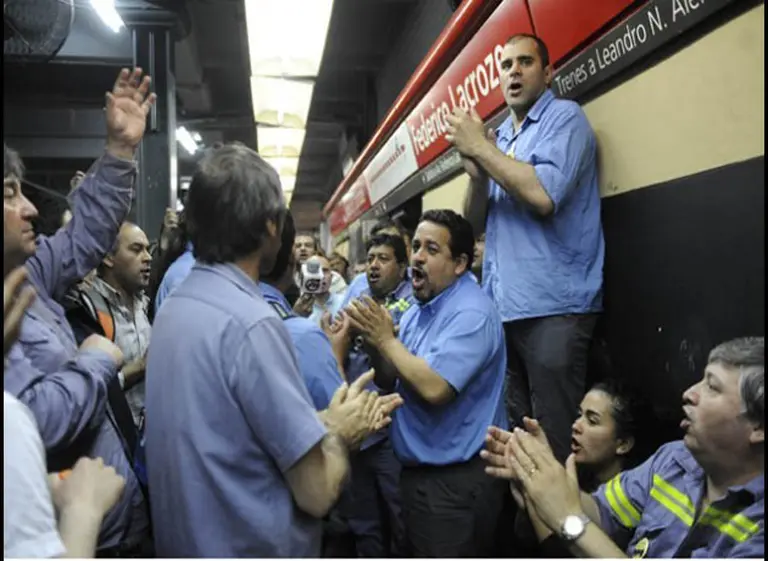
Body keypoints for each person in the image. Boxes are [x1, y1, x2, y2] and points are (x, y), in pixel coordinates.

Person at [145, 143, 384, 557]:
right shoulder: (253, 324)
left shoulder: (175, 308)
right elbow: (317, 491)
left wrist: (320, 423)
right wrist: (342, 434)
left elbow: (226, 434)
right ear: (272, 227)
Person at [3, 67, 155, 556]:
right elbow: (31, 421)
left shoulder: (28, 277)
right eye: (10, 193)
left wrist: (119, 152)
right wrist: (94, 361)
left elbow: (84, 235)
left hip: (112, 520)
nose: (29, 208)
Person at [450, 34, 604, 462]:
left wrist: (481, 147)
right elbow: (474, 224)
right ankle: (527, 525)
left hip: (554, 309)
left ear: (548, 72)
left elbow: (543, 196)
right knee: (518, 441)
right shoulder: (504, 141)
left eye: (525, 62)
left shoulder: (564, 119)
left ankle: (560, 528)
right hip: (505, 310)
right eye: (506, 65)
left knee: (554, 445)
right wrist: (479, 176)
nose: (513, 72)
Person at [487, 337, 764, 558]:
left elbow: (573, 516)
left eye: (713, 387)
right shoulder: (673, 460)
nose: (689, 393)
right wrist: (536, 469)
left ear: (759, 428)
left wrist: (569, 521)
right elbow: (600, 511)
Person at [346, 209, 508, 557]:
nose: (417, 256)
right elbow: (392, 379)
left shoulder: (471, 313)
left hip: (454, 483)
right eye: (416, 246)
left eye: (432, 250)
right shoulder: (424, 307)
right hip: (420, 476)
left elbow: (435, 388)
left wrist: (387, 340)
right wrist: (376, 343)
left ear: (460, 263)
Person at [483, 380, 653, 555]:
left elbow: (557, 552)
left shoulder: (627, 515)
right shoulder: (577, 480)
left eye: (592, 421)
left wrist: (536, 487)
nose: (576, 426)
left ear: (623, 444)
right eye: (579, 415)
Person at [340, 232, 412, 557]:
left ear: (402, 266)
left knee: (399, 514)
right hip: (357, 424)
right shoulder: (356, 290)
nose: (373, 266)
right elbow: (338, 339)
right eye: (370, 258)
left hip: (392, 427)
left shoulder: (413, 297)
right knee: (363, 518)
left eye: (383, 259)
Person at [77, 222, 152, 425]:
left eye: (148, 249)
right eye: (136, 250)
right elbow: (85, 390)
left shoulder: (145, 305)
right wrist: (139, 368)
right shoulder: (87, 309)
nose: (148, 257)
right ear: (108, 257)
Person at [294, 254, 346, 325]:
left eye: (324, 270)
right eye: (315, 271)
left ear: (331, 276)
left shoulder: (344, 302)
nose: (320, 276)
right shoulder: (298, 307)